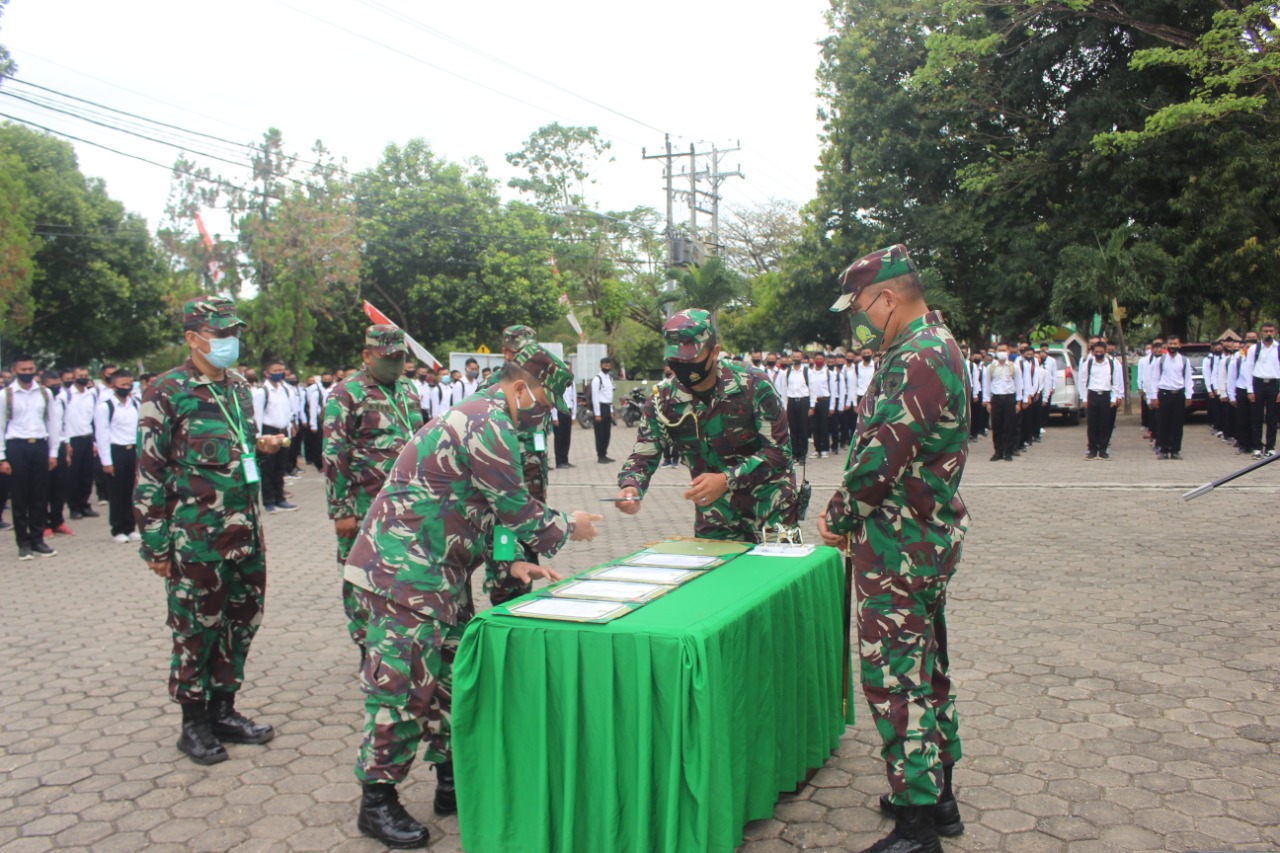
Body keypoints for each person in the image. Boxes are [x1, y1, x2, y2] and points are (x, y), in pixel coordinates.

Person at [342, 345, 602, 848]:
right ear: (522, 386)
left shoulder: (488, 418)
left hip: (442, 575)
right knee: (402, 690)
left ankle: (451, 782)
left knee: (453, 682)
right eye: (545, 399)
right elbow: (516, 508)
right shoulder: (487, 422)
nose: (545, 412)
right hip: (403, 576)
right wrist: (571, 523)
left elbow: (479, 509)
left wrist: (510, 562)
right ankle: (376, 801)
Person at [817, 244, 967, 853]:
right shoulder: (930, 346)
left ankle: (916, 828)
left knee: (893, 679)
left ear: (886, 298)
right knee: (925, 668)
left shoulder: (919, 355)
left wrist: (837, 516)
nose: (859, 319)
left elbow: (882, 457)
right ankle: (938, 796)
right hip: (918, 537)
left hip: (901, 541)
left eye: (859, 307)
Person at [134, 296, 285, 765]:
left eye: (232, 333)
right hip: (195, 539)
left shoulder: (239, 387)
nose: (229, 342)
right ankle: (193, 724)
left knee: (241, 622)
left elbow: (232, 452)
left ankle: (224, 709)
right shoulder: (167, 390)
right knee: (195, 629)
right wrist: (156, 544)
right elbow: (149, 472)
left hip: (245, 533)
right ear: (193, 339)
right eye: (219, 334)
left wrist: (259, 445)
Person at [613, 309, 799, 541]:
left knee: (779, 576)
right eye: (676, 360)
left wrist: (725, 480)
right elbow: (644, 455)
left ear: (715, 352)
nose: (683, 366)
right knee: (717, 578)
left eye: (691, 359)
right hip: (715, 519)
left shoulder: (753, 384)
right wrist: (631, 487)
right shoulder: (662, 400)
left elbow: (779, 452)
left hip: (771, 512)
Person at [322, 325, 424, 661]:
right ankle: (368, 646)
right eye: (387, 357)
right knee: (362, 578)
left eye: (400, 358)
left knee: (405, 575)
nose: (395, 364)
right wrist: (341, 510)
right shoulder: (346, 393)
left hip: (409, 505)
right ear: (367, 355)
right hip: (366, 506)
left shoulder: (408, 389)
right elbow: (334, 454)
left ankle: (400, 642)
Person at [0, 355, 61, 560]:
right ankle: (23, 543)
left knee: (39, 496)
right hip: (17, 447)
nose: (27, 372)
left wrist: (53, 452)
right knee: (20, 497)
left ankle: (38, 539)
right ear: (15, 370)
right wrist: (2, 457)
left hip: (39, 446)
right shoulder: (6, 395)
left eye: (31, 368)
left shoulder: (44, 393)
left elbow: (52, 424)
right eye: (23, 369)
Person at [95, 369, 141, 542]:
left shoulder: (135, 403)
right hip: (116, 451)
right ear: (113, 385)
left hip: (133, 451)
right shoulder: (105, 407)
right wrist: (106, 461)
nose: (126, 388)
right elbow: (102, 435)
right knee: (117, 492)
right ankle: (118, 528)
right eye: (122, 385)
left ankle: (130, 526)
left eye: (129, 384)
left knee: (131, 491)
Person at [251, 359, 297, 512]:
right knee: (268, 468)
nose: (279, 373)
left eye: (281, 370)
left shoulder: (285, 390)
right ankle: (268, 501)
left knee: (280, 467)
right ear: (267, 373)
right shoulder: (262, 392)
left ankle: (280, 498)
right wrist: (259, 438)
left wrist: (289, 429)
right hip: (268, 432)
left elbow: (288, 411)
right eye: (275, 370)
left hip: (283, 431)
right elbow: (257, 415)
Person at [1146, 335, 1194, 460]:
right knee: (1163, 423)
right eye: (1170, 344)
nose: (1173, 346)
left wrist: (1188, 395)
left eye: (1175, 344)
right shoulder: (1160, 361)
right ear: (1166, 346)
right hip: (1164, 394)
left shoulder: (1184, 361)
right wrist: (1153, 396)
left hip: (1178, 394)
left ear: (1179, 345)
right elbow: (1154, 379)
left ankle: (1175, 450)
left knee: (1177, 424)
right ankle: (1163, 449)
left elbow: (1188, 379)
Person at [63, 366, 100, 521]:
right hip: (73, 439)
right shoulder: (66, 395)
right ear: (73, 377)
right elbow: (62, 421)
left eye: (85, 375)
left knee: (87, 475)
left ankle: (85, 505)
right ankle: (74, 507)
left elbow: (94, 419)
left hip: (87, 438)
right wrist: (66, 443)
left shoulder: (91, 395)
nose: (83, 378)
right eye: (80, 375)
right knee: (74, 476)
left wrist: (94, 441)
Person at [41, 370, 73, 538]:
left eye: (57, 385)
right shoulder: (41, 399)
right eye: (51, 386)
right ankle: (44, 523)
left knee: (59, 486)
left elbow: (64, 423)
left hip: (59, 445)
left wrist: (67, 444)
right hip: (43, 445)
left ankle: (57, 520)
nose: (55, 388)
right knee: (44, 487)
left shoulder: (60, 401)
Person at [1080, 340, 1124, 460]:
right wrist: (1084, 398)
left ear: (1105, 352)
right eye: (1096, 352)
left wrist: (1114, 397)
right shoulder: (1088, 363)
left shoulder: (1112, 364)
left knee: (1106, 424)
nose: (1098, 354)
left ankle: (1103, 450)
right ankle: (1092, 449)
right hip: (1092, 395)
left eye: (1101, 352)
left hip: (1106, 396)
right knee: (1092, 424)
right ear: (1093, 352)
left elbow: (1115, 382)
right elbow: (1083, 381)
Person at [1242, 321, 1280, 458]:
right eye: (1266, 331)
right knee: (1256, 417)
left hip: (1274, 384)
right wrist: (1250, 390)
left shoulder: (1278, 348)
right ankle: (1257, 447)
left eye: (1271, 331)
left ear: (1275, 332)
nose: (1268, 333)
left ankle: (1270, 447)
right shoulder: (1254, 349)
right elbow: (1249, 369)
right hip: (1258, 383)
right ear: (1261, 333)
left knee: (1272, 418)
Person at [983, 343, 1023, 461]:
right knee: (996, 426)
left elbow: (1019, 384)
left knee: (1009, 426)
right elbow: (987, 385)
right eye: (999, 350)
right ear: (996, 352)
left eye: (1004, 350)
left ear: (1008, 352)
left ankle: (1008, 451)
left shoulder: (1013, 367)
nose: (1002, 352)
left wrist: (1018, 402)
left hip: (1010, 398)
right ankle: (998, 451)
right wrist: (987, 401)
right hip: (996, 399)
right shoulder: (991, 367)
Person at [783, 350, 811, 463]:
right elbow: (784, 389)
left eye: (798, 356)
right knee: (793, 429)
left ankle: (803, 454)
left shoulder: (807, 371)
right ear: (791, 358)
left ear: (802, 358)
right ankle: (795, 454)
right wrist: (784, 405)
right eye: (794, 356)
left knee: (803, 429)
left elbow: (813, 389)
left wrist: (812, 406)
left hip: (803, 401)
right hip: (791, 402)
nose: (796, 358)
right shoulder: (787, 371)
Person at [808, 350, 833, 458]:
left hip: (824, 401)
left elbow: (833, 390)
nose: (819, 361)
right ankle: (817, 448)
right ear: (814, 360)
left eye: (821, 359)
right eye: (817, 359)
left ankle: (824, 449)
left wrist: (831, 406)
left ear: (824, 360)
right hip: (813, 402)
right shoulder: (809, 372)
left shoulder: (828, 373)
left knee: (824, 426)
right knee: (814, 426)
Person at [591, 356, 615, 463]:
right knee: (600, 433)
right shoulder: (597, 379)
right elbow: (595, 397)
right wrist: (597, 413)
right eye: (605, 365)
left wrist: (611, 410)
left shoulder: (609, 378)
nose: (607, 366)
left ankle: (604, 453)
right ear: (600, 366)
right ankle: (600, 456)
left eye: (608, 365)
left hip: (607, 407)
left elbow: (610, 395)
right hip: (600, 408)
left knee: (607, 433)